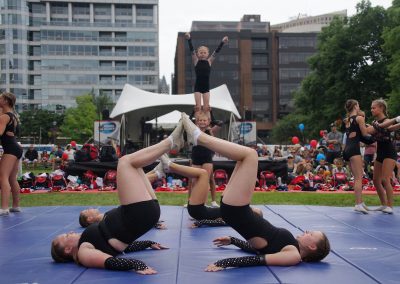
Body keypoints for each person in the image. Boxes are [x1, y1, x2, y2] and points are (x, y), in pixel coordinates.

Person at [178, 112, 330, 270]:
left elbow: (259, 259)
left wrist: (224, 263)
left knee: (250, 155)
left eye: (311, 234)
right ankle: (196, 138)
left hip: (237, 211)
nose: (307, 231)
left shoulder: (294, 255)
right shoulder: (291, 246)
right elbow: (259, 248)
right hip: (236, 211)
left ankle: (198, 137)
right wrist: (233, 241)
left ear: (312, 247)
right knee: (243, 156)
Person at [50, 120, 188, 274]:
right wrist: (137, 265)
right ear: (68, 249)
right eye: (65, 236)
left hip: (141, 213)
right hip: (137, 214)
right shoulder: (83, 252)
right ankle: (170, 143)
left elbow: (123, 246)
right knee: (124, 162)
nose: (69, 232)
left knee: (134, 164)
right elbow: (109, 261)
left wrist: (148, 243)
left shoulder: (88, 239)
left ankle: (163, 164)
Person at [185, 32, 228, 120]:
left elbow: (216, 52)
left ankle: (208, 124)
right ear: (198, 53)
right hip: (197, 86)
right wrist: (189, 39)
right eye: (201, 52)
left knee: (206, 107)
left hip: (206, 87)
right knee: (198, 107)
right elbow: (192, 50)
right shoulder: (196, 60)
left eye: (204, 52)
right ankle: (197, 124)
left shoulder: (209, 61)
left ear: (208, 54)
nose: (203, 54)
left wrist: (222, 42)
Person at [342, 100, 373, 214]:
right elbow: (365, 135)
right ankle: (358, 203)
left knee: (356, 178)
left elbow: (357, 136)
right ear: (355, 106)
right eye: (358, 104)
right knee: (359, 177)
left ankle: (359, 202)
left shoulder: (347, 121)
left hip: (347, 150)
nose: (359, 106)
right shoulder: (359, 118)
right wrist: (376, 134)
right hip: (354, 150)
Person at [368, 99, 397, 214]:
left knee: (385, 179)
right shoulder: (375, 122)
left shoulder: (388, 120)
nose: (371, 110)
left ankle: (390, 206)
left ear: (381, 108)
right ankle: (383, 204)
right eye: (371, 108)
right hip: (380, 152)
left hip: (389, 152)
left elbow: (388, 128)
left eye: (373, 108)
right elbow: (371, 131)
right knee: (375, 180)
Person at [189, 111, 220, 208]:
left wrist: (211, 112)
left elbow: (220, 123)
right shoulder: (194, 130)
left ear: (208, 121)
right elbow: (188, 121)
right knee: (193, 181)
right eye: (200, 120)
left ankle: (208, 201)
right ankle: (192, 201)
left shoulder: (210, 130)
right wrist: (193, 111)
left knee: (207, 180)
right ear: (197, 122)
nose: (202, 122)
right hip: (196, 157)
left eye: (204, 120)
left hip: (207, 157)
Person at [0, 92, 23, 216]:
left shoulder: (4, 117)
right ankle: (16, 206)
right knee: (12, 178)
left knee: (3, 177)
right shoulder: (13, 115)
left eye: (0, 98)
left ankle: (4, 208)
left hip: (10, 149)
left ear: (5, 101)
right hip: (16, 148)